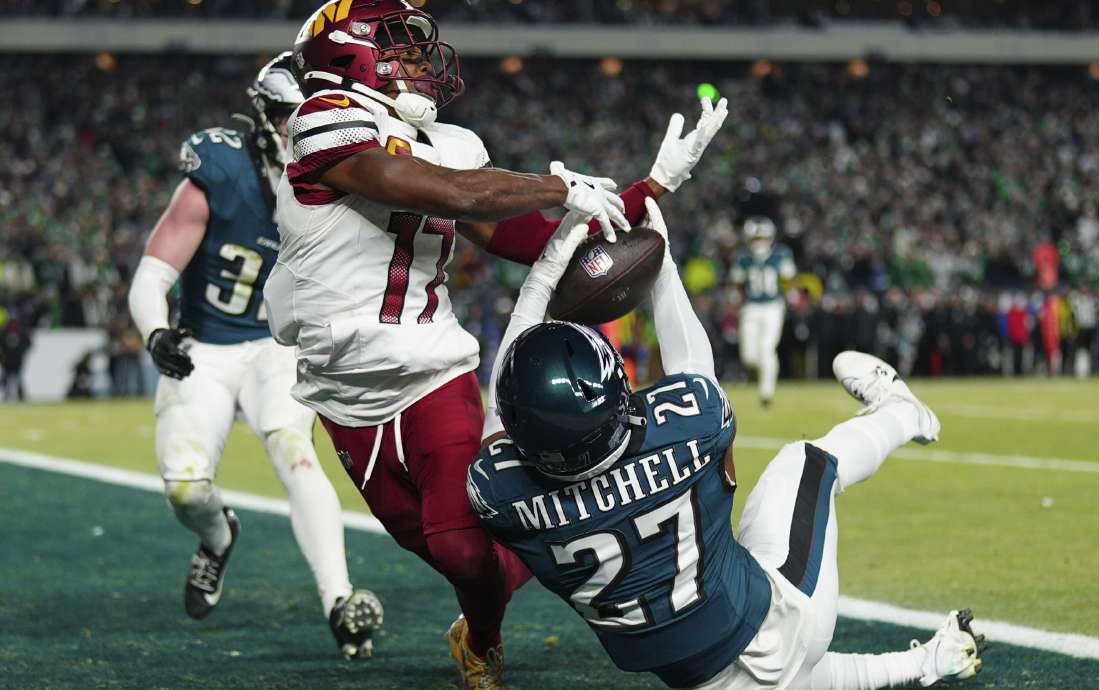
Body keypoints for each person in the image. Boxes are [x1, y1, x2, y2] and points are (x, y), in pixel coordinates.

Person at [266, 3, 728, 687]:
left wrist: (649, 190)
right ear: (345, 54)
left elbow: (529, 238)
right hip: (342, 395)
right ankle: (541, 536)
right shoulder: (321, 121)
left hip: (431, 369)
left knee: (462, 553)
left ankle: (482, 640)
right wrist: (556, 186)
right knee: (447, 551)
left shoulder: (451, 143)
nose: (422, 60)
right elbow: (430, 189)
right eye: (400, 45)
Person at [467, 200, 985, 690]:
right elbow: (693, 368)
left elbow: (499, 412)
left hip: (695, 678)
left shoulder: (499, 495)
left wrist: (536, 285)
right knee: (805, 463)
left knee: (776, 676)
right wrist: (662, 262)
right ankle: (901, 411)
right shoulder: (684, 431)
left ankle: (925, 662)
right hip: (771, 619)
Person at [126, 53, 382, 660]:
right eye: (298, 115)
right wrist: (156, 333)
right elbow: (150, 275)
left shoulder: (344, 177)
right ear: (269, 116)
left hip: (278, 345)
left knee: (295, 453)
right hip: (207, 347)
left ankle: (340, 602)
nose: (307, 129)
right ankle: (218, 538)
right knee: (187, 490)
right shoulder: (221, 169)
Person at [730, 216, 796, 406]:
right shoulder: (742, 257)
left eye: (762, 238)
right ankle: (769, 370)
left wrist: (792, 295)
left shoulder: (781, 254)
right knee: (750, 356)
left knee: (767, 348)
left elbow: (789, 278)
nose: (759, 243)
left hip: (773, 306)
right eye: (756, 239)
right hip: (750, 307)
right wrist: (734, 300)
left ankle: (766, 394)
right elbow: (737, 283)